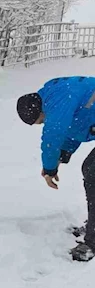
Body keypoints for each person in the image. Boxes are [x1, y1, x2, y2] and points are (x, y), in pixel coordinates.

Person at [17, 76, 95, 261]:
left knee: (93, 171)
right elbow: (76, 126)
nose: (43, 123)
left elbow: (53, 135)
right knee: (91, 169)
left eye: (40, 121)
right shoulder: (56, 96)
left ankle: (93, 241)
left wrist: (50, 168)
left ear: (39, 112)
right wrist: (62, 157)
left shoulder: (58, 100)